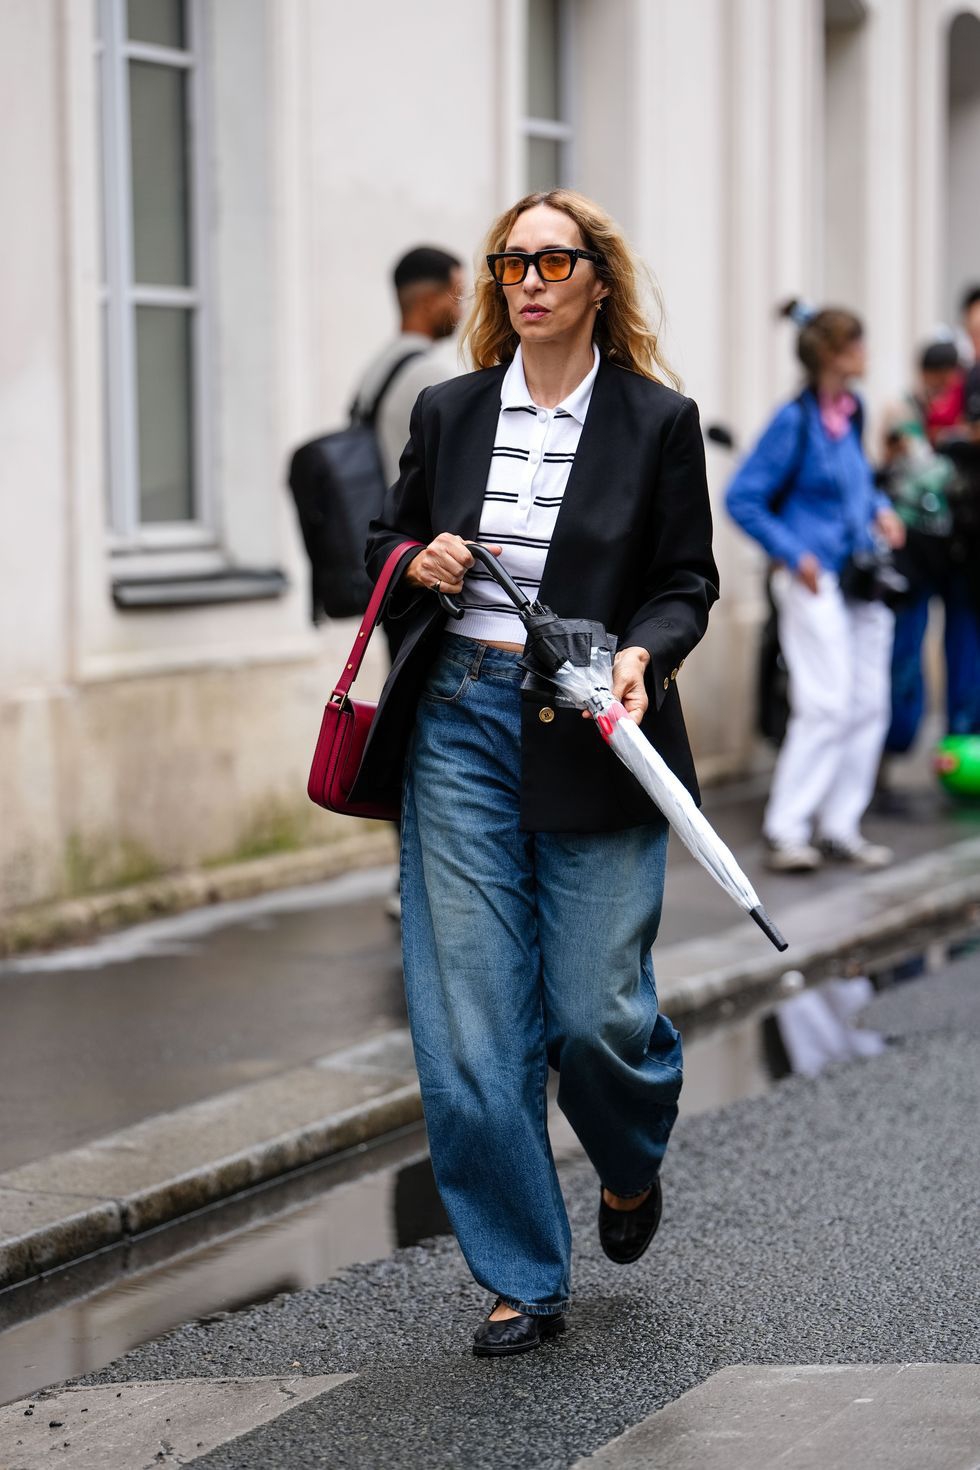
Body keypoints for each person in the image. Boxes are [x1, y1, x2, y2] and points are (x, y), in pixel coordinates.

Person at [352, 189, 718, 1356]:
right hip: (457, 721)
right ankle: (519, 1274)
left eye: (553, 262)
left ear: (597, 281)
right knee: (470, 1023)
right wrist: (417, 559)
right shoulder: (450, 409)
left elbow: (683, 580)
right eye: (511, 263)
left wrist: (643, 655)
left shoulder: (656, 422)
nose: (529, 281)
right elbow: (385, 540)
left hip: (593, 723)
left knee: (595, 1014)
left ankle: (628, 1156)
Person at [725, 302, 905, 873]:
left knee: (868, 703)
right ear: (832, 354)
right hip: (814, 578)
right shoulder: (793, 420)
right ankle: (787, 830)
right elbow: (742, 497)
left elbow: (859, 482)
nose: (866, 353)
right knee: (825, 704)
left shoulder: (852, 409)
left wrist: (880, 509)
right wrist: (793, 552)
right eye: (857, 343)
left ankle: (838, 827)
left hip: (860, 577)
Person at [879, 339, 980, 766]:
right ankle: (896, 742)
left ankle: (961, 746)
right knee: (906, 652)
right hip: (915, 555)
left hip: (957, 555)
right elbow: (899, 464)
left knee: (963, 652)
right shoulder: (902, 410)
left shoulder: (962, 411)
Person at [351, 245, 464, 486]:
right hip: (409, 509)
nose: (460, 311)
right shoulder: (433, 374)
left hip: (378, 505)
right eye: (456, 296)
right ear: (430, 302)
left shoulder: (379, 365)